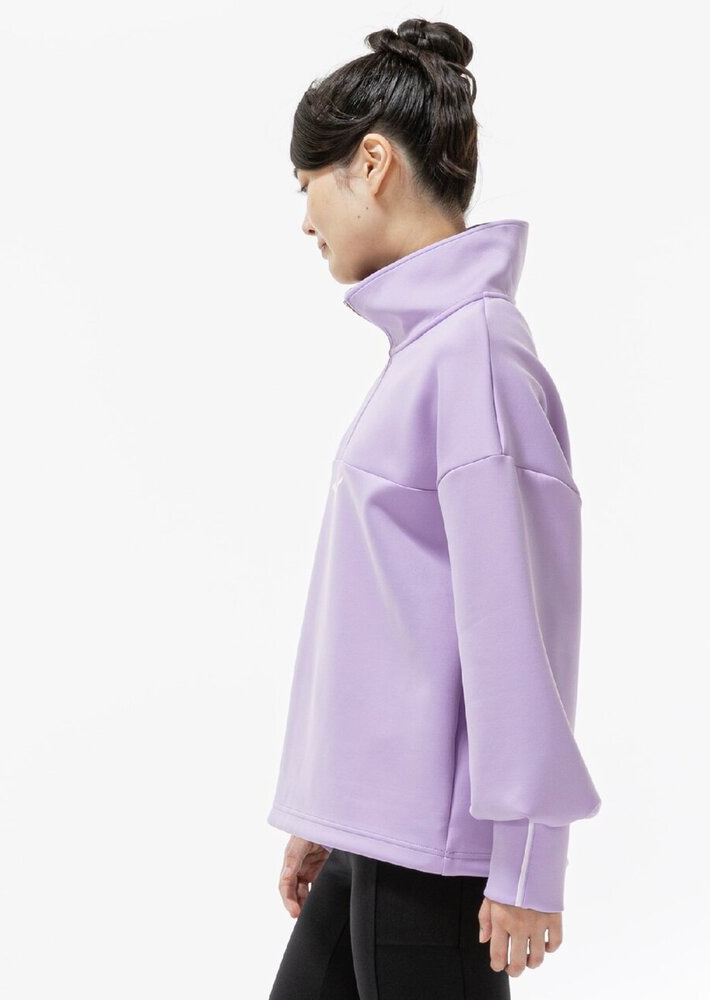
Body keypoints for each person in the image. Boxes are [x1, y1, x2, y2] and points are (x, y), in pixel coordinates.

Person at [267, 17, 603, 1000]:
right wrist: (330, 811)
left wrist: (529, 856)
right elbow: (391, 617)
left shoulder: (477, 354)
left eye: (306, 183)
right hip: (376, 837)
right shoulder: (428, 355)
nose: (305, 219)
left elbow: (521, 626)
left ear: (370, 164)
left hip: (437, 867)